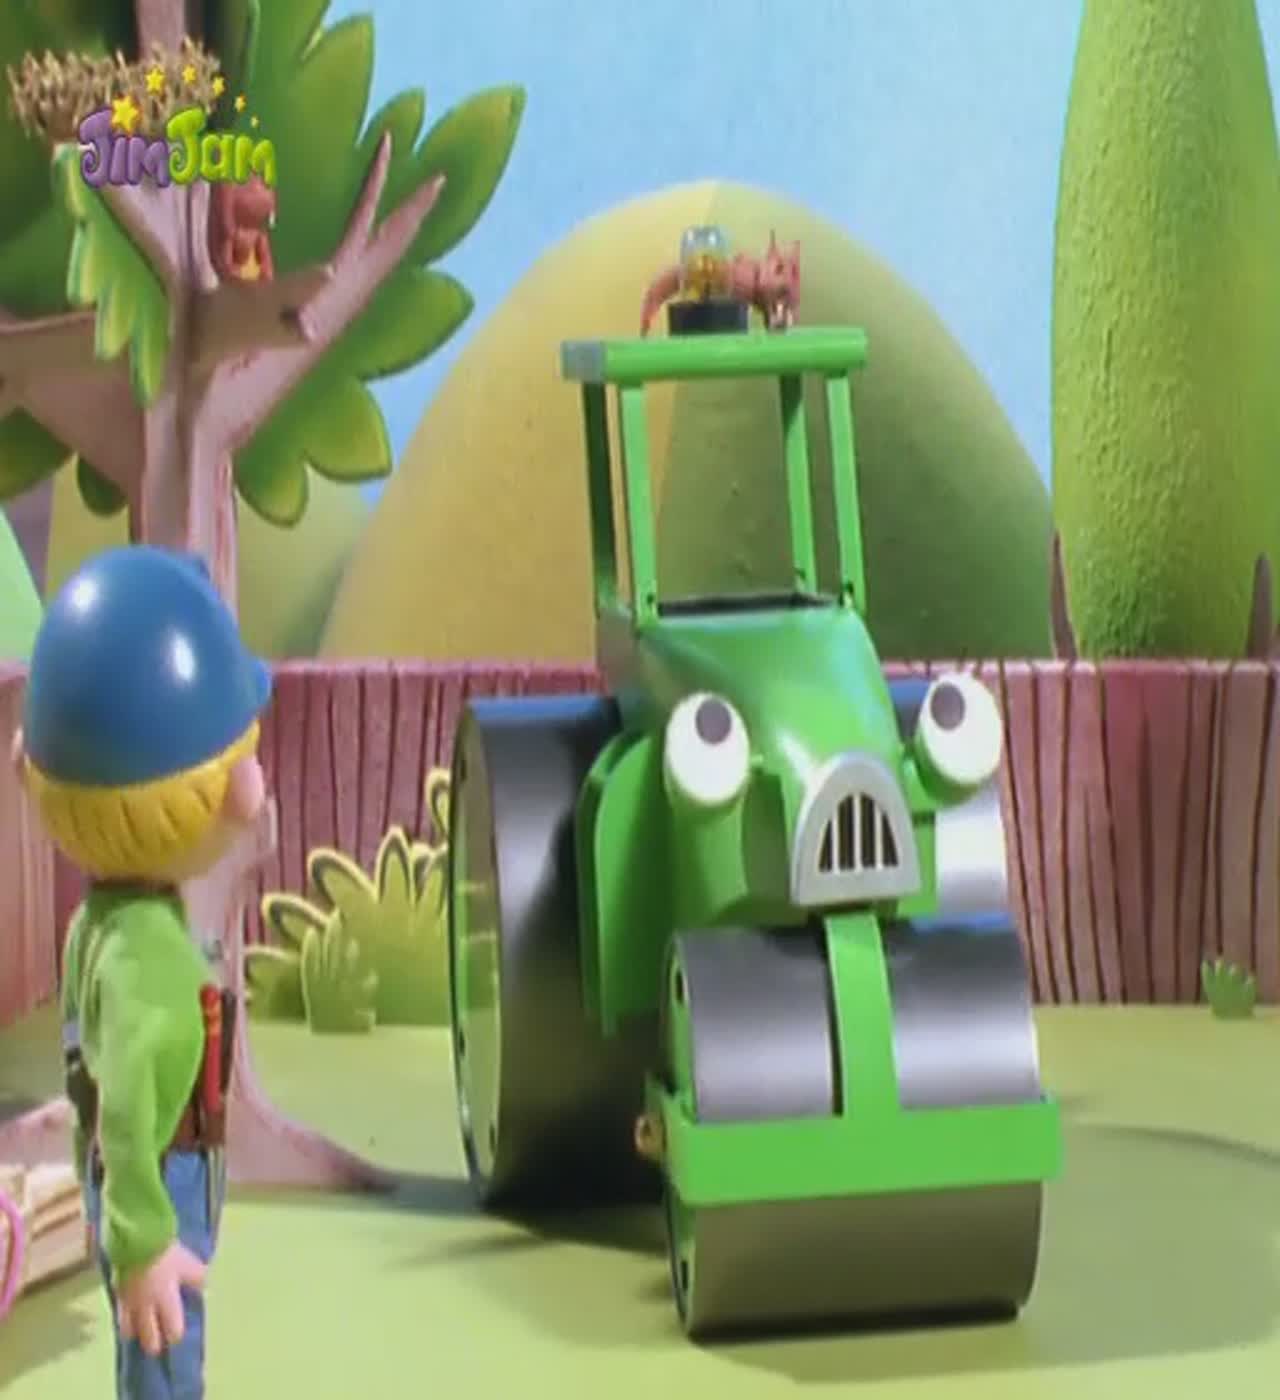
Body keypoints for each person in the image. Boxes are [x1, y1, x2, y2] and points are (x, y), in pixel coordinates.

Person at [10, 545, 272, 1398]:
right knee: (164, 1363)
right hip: (162, 1181)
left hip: (131, 1179)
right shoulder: (147, 954)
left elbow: (97, 1070)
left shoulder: (99, 923)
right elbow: (126, 1111)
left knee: (152, 1359)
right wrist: (145, 1242)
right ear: (230, 787)